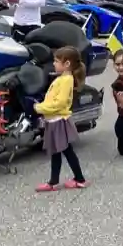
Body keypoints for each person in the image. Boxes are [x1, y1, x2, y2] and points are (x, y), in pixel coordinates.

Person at [33, 46, 89, 192]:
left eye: (56, 61)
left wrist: (40, 108)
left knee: (66, 151)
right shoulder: (63, 78)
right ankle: (55, 181)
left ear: (67, 64)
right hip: (54, 120)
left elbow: (60, 103)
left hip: (59, 121)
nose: (54, 64)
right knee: (57, 152)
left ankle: (79, 179)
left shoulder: (66, 80)